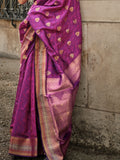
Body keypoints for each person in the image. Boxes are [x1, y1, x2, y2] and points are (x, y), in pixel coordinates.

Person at [8, 0, 82, 159]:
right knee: (31, 92)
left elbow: (61, 11)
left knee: (51, 94)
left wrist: (36, 15)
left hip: (54, 47)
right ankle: (29, 145)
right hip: (37, 46)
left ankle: (48, 145)